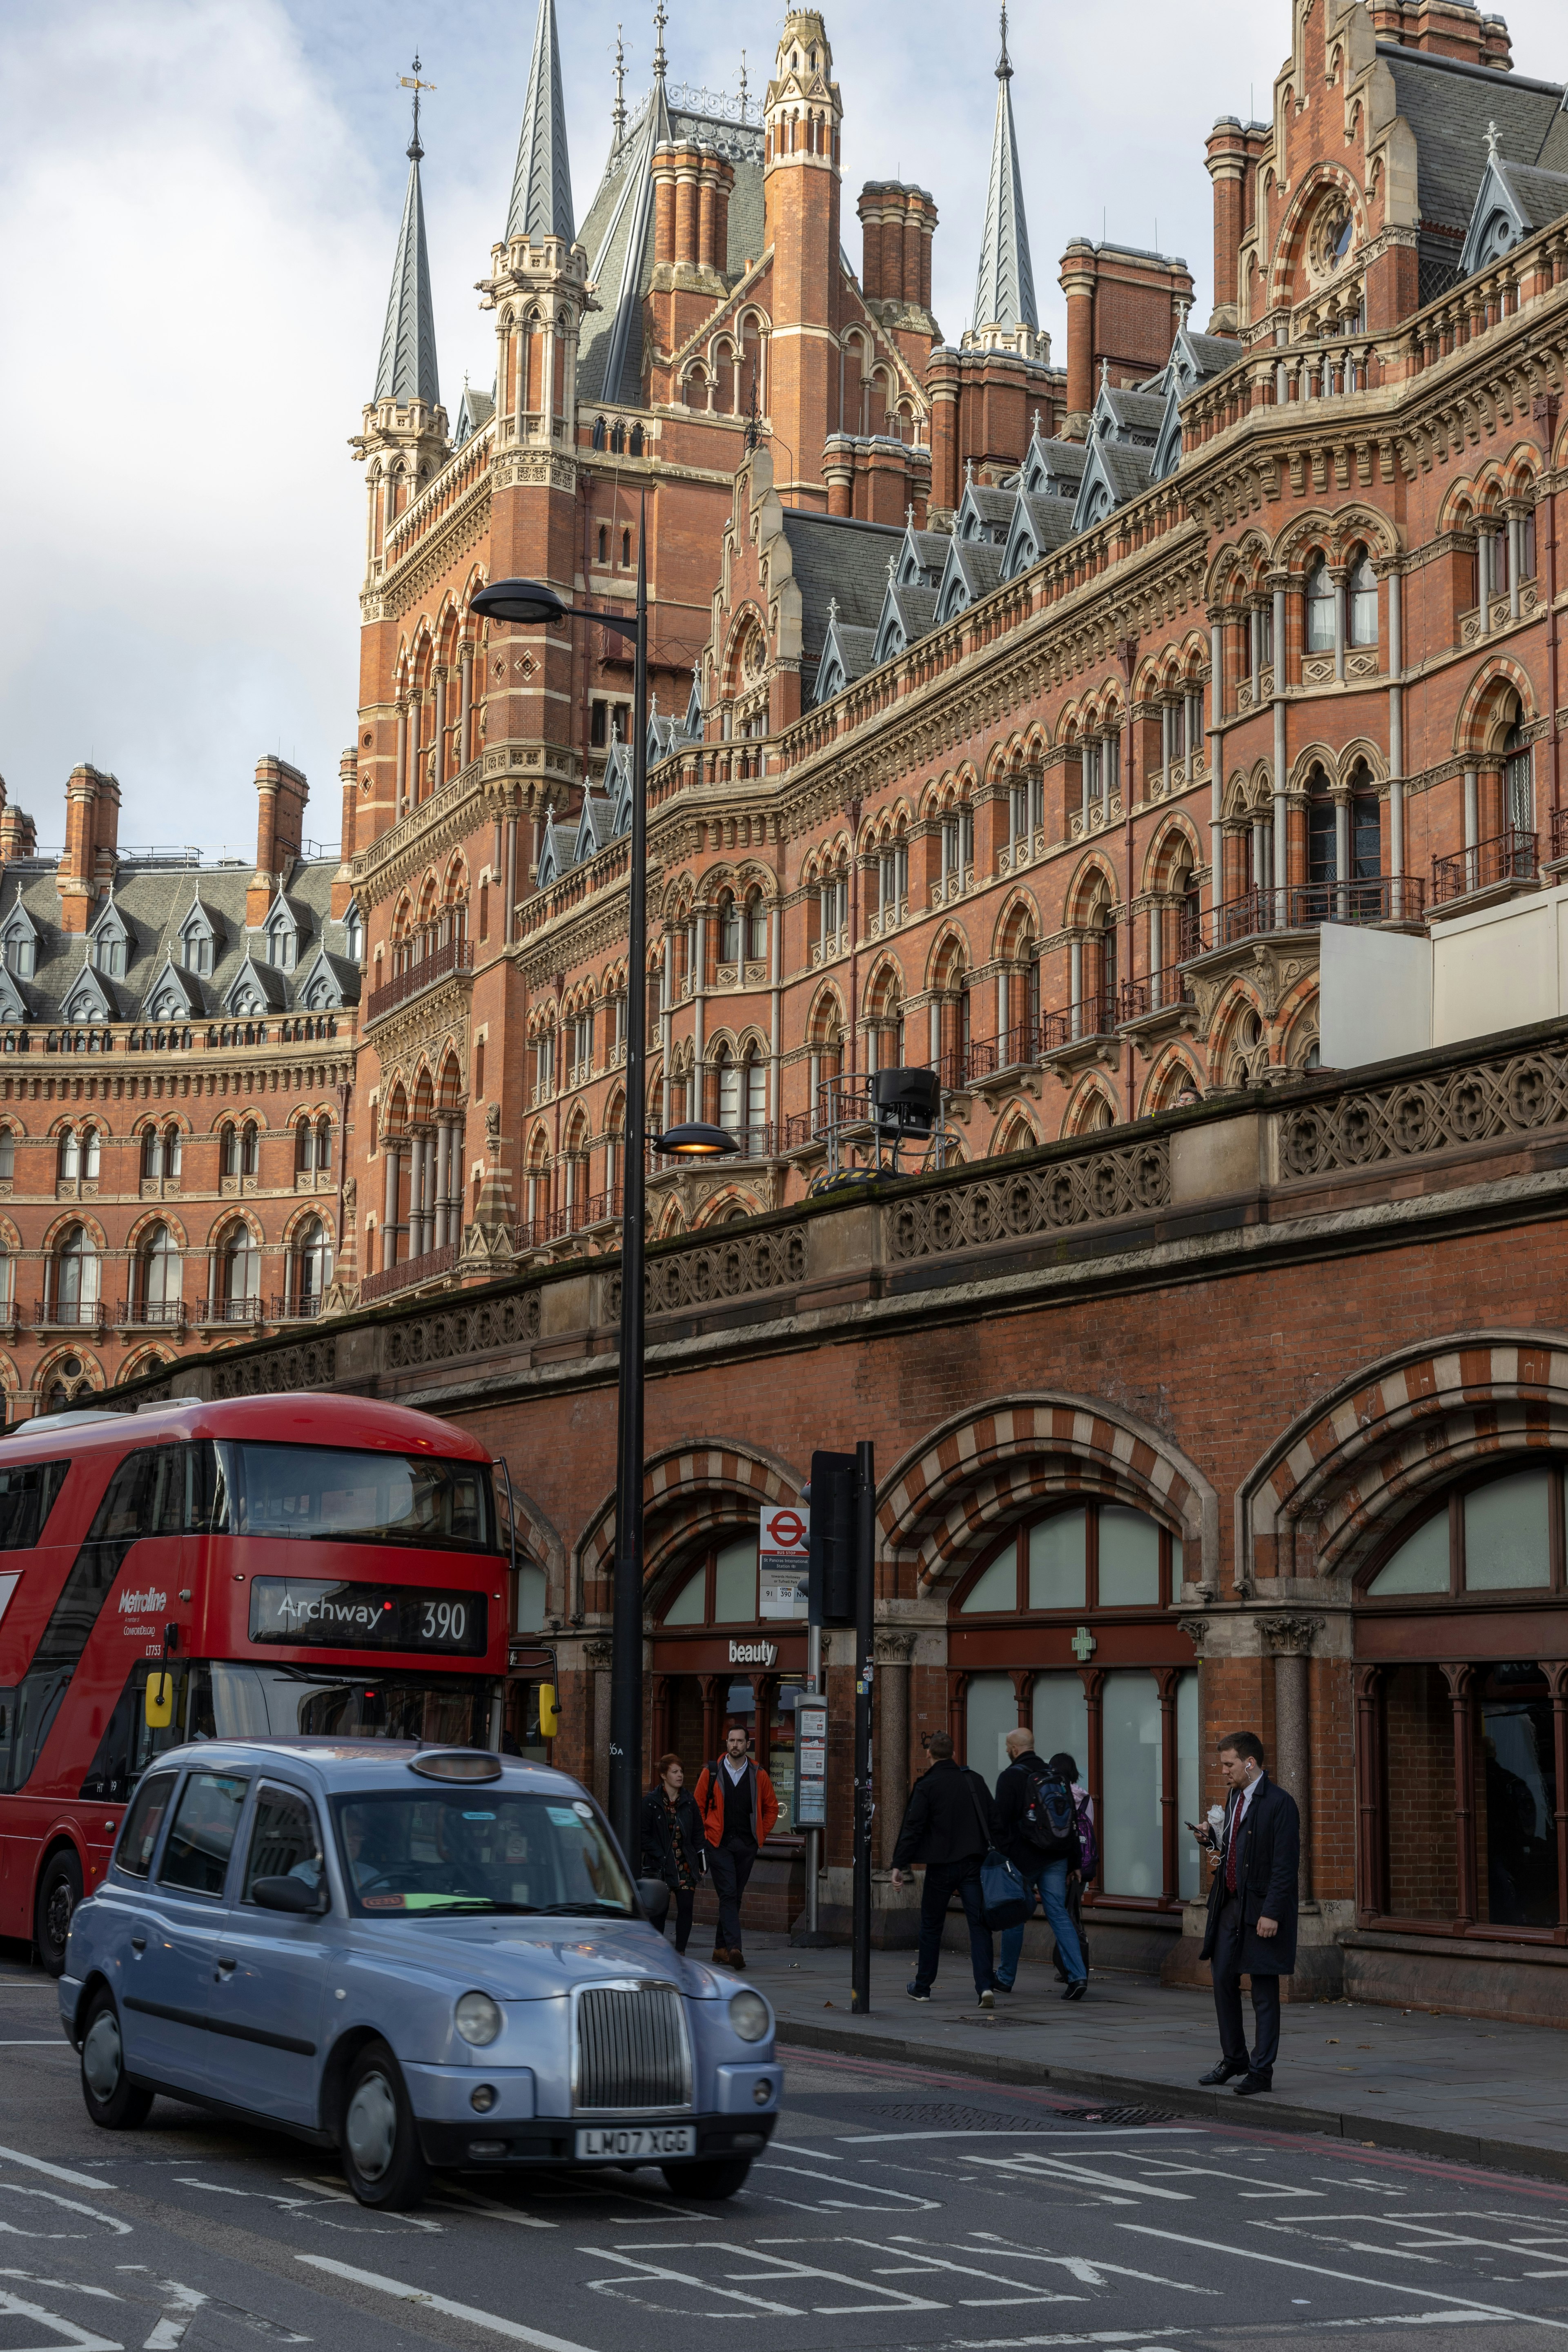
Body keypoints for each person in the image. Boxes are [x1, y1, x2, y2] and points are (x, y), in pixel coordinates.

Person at [1197, 1729, 1300, 2097]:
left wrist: (1272, 1913)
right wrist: (1211, 1838)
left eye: (1229, 1764)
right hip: (1229, 1904)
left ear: (1250, 1763)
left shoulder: (1280, 1803)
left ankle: (1261, 2071)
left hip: (1261, 1908)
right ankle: (1235, 2058)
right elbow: (1236, 1849)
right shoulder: (1234, 1796)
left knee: (1263, 1989)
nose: (1224, 1771)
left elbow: (1286, 1866)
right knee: (1223, 1977)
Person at [890, 1729, 997, 2010]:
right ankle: (985, 1986)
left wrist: (899, 1865)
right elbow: (994, 1820)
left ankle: (923, 1987)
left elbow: (912, 1829)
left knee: (931, 1926)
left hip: (940, 1868)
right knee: (979, 1926)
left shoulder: (927, 1786)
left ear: (929, 1754)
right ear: (953, 1753)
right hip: (974, 1865)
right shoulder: (974, 1780)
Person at [991, 1731, 1088, 2000]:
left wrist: (1003, 1858)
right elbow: (1071, 1822)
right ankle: (1078, 1976)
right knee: (1058, 1913)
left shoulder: (1010, 1777)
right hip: (1057, 1857)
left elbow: (999, 1823)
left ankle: (1006, 1978)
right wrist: (1074, 1862)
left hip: (1024, 1859)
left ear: (1012, 1748)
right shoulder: (1054, 1776)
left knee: (1015, 1914)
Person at [694, 1724, 779, 1969]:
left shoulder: (758, 1774)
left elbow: (772, 1808)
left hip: (746, 1845)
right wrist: (706, 1834)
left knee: (734, 1896)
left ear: (748, 1745)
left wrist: (759, 1835)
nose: (735, 1745)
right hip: (718, 1843)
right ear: (727, 1744)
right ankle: (734, 1949)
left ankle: (720, 1949)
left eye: (740, 1741)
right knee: (729, 1894)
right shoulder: (711, 1773)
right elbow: (698, 1806)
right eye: (731, 1741)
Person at [640, 1752, 706, 1955]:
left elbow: (698, 1833)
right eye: (675, 1772)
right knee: (660, 1911)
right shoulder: (651, 1802)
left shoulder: (689, 1801)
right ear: (663, 1775)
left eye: (681, 1772)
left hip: (684, 1862)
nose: (680, 1776)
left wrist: (702, 1862)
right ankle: (658, 1952)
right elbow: (643, 1835)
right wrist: (660, 1855)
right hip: (661, 1864)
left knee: (686, 1908)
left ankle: (681, 1952)